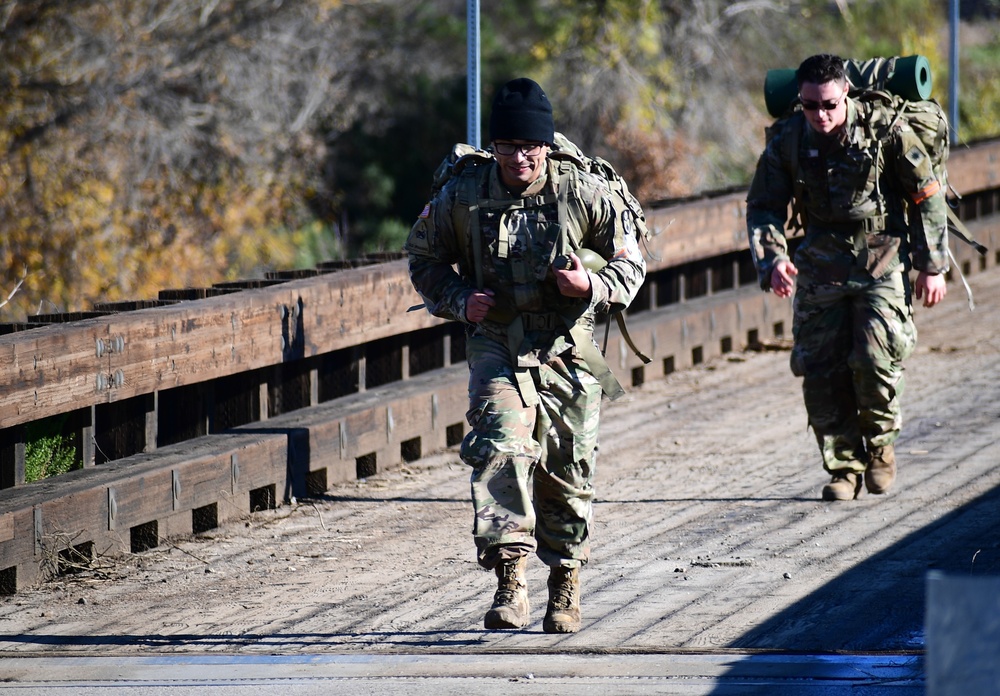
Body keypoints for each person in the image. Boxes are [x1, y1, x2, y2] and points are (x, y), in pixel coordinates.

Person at [406, 77, 646, 632]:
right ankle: (509, 580)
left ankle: (565, 581)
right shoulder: (461, 195)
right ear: (494, 146)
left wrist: (591, 285)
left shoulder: (581, 192)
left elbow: (631, 259)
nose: (520, 158)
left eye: (530, 147)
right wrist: (460, 299)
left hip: (566, 345)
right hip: (497, 341)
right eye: (509, 147)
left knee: (567, 467)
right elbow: (423, 256)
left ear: (546, 145)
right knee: (499, 450)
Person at [746, 54, 949, 502]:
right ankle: (843, 467)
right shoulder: (788, 140)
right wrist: (773, 259)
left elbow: (926, 194)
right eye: (810, 105)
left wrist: (932, 265)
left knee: (875, 360)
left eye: (830, 105)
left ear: (847, 95)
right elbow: (763, 205)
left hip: (881, 256)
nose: (820, 115)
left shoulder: (885, 128)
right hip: (819, 261)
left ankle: (879, 449)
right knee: (818, 369)